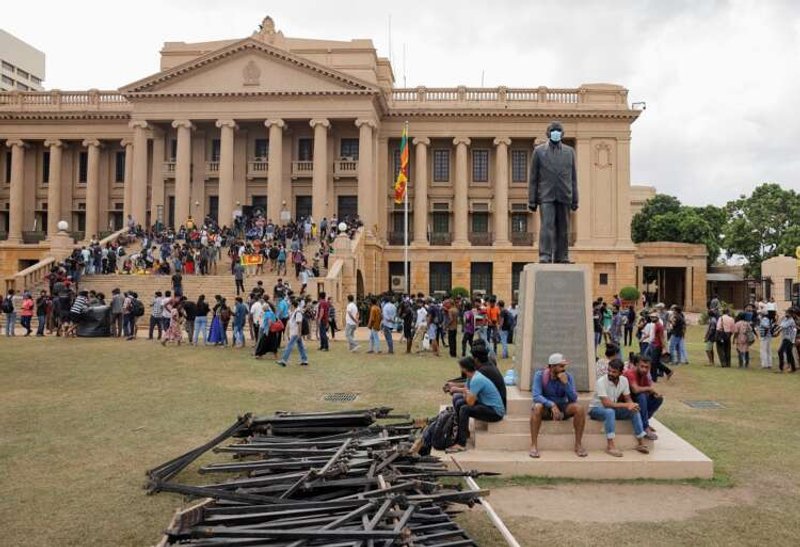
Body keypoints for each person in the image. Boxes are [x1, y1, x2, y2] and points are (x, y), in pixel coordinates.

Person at [528, 120, 578, 263]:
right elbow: (533, 178)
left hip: (564, 194)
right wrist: (532, 200)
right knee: (547, 226)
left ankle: (562, 256)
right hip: (546, 195)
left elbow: (573, 177)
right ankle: (545, 255)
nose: (556, 133)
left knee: (563, 228)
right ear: (548, 134)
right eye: (553, 131)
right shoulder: (538, 152)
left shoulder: (570, 152)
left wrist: (575, 198)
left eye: (558, 130)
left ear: (562, 134)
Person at [588, 359, 650, 457]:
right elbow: (606, 404)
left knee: (634, 410)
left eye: (614, 372)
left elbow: (628, 398)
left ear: (621, 373)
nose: (610, 373)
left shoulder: (624, 380)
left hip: (613, 409)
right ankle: (610, 446)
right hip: (596, 409)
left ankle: (641, 443)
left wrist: (632, 405)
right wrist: (626, 405)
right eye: (609, 371)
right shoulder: (601, 381)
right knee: (610, 412)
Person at [529, 353, 587, 458]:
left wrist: (565, 384)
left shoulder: (568, 377)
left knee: (580, 409)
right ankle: (533, 445)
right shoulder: (540, 375)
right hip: (546, 409)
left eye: (564, 366)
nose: (563, 368)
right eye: (561, 366)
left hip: (563, 408)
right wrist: (551, 404)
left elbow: (573, 399)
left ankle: (578, 444)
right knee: (537, 407)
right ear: (552, 367)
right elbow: (536, 396)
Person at [444, 356, 506, 453]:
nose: (460, 369)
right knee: (459, 402)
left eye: (460, 367)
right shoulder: (472, 376)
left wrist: (462, 392)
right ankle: (464, 433)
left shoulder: (477, 379)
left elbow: (470, 402)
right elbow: (467, 394)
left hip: (495, 412)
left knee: (465, 409)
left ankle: (461, 444)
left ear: (464, 368)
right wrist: (461, 391)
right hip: (485, 404)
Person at [623, 355, 662, 440]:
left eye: (647, 367)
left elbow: (648, 390)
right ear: (636, 365)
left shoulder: (644, 375)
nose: (644, 369)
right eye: (642, 366)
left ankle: (644, 421)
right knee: (641, 396)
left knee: (658, 399)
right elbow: (635, 390)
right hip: (626, 401)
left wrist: (653, 393)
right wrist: (650, 389)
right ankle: (645, 427)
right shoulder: (630, 373)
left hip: (637, 401)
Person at [277, 298, 309, 366]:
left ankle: (284, 360)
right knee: (300, 346)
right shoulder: (295, 312)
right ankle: (304, 359)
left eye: (290, 305)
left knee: (289, 346)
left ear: (293, 305)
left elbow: (299, 323)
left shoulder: (298, 312)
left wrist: (299, 333)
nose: (290, 307)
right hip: (295, 332)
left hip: (296, 332)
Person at [777, 308, 797, 373]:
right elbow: (780, 325)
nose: (786, 314)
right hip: (785, 338)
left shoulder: (791, 321)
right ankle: (793, 368)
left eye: (787, 313)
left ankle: (781, 368)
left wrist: (777, 331)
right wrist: (781, 319)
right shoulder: (785, 319)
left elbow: (783, 326)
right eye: (786, 312)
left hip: (789, 339)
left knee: (780, 351)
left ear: (791, 314)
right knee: (789, 353)